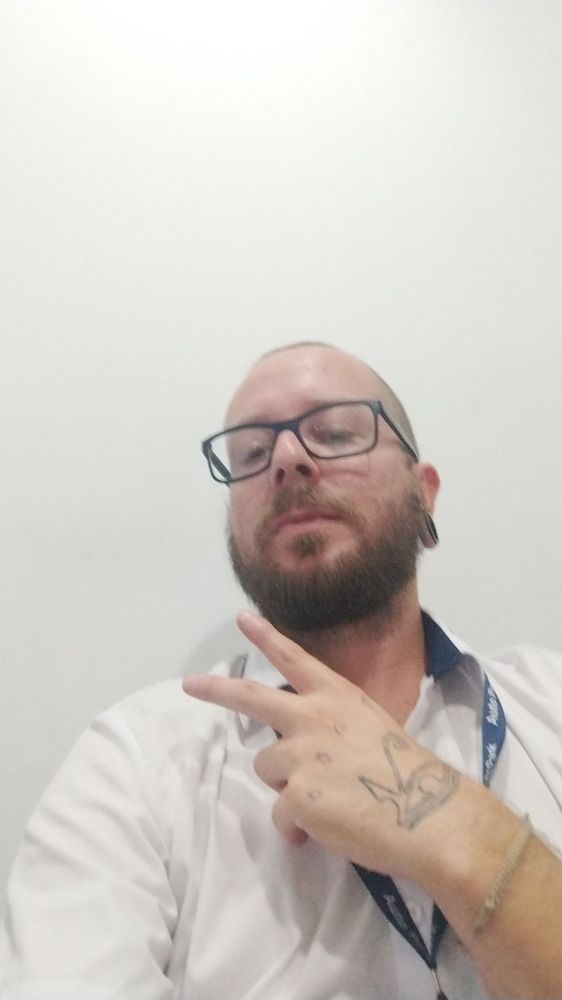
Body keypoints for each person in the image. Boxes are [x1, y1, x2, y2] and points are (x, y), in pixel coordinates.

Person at [1, 342, 561, 1000]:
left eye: (336, 433)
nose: (288, 458)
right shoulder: (135, 764)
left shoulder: (549, 699)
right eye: (251, 454)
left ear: (424, 491)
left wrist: (450, 823)